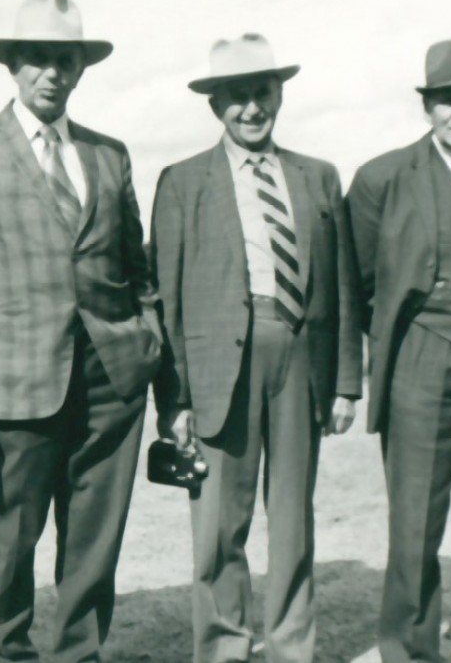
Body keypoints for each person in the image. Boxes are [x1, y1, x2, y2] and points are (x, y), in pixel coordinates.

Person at [0, 0, 162, 663]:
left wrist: (144, 335)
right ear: (12, 66)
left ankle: (79, 653)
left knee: (94, 536)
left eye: (64, 61)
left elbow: (135, 263)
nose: (51, 74)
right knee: (12, 537)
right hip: (16, 375)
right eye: (37, 59)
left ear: (81, 69)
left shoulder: (109, 154)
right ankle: (5, 649)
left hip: (113, 378)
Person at [150, 33, 361, 663]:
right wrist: (175, 399)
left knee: (293, 517)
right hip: (221, 367)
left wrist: (346, 381)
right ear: (216, 104)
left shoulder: (317, 177)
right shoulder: (182, 182)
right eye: (236, 96)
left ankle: (293, 646)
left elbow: (344, 284)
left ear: (279, 94)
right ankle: (225, 646)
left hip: (298, 359)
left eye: (261, 93)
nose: (251, 108)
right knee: (219, 523)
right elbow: (166, 298)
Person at [347, 37, 451, 663]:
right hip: (423, 362)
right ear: (428, 108)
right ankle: (412, 651)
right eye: (449, 102)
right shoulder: (382, 178)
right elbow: (360, 285)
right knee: (415, 522)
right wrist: (412, 340)